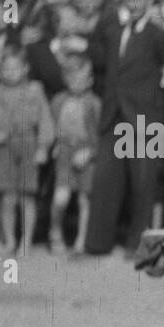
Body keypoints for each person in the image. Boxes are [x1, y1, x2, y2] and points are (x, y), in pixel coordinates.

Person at [84, 0, 164, 256]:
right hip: (114, 116)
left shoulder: (161, 37)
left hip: (145, 120)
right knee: (105, 180)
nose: (134, 4)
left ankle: (138, 244)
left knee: (143, 184)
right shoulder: (114, 32)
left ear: (150, 0)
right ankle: (98, 243)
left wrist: (157, 114)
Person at [0, 40, 56, 256]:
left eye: (15, 68)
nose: (10, 73)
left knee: (27, 197)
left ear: (25, 69)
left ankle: (26, 240)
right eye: (6, 69)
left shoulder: (35, 90)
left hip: (29, 146)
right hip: (3, 147)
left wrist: (43, 147)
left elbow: (45, 121)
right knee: (6, 198)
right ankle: (9, 240)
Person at [48, 44, 100, 254]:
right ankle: (55, 232)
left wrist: (91, 152)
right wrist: (53, 145)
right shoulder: (59, 101)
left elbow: (100, 134)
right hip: (64, 153)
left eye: (82, 78)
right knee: (61, 197)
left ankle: (81, 240)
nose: (77, 82)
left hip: (86, 153)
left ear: (90, 79)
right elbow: (51, 126)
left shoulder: (95, 103)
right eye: (72, 77)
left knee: (84, 199)